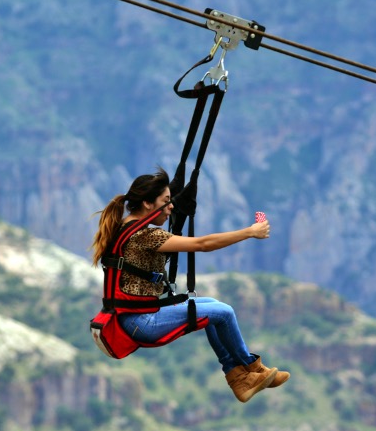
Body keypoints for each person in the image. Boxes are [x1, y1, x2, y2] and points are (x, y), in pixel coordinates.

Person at [91, 167, 288, 402]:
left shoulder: (124, 227)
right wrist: (249, 232)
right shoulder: (146, 237)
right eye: (166, 201)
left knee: (210, 305)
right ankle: (251, 369)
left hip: (131, 316)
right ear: (147, 203)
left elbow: (163, 205)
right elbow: (204, 244)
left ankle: (237, 376)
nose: (171, 206)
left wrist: (174, 191)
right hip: (142, 322)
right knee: (224, 312)